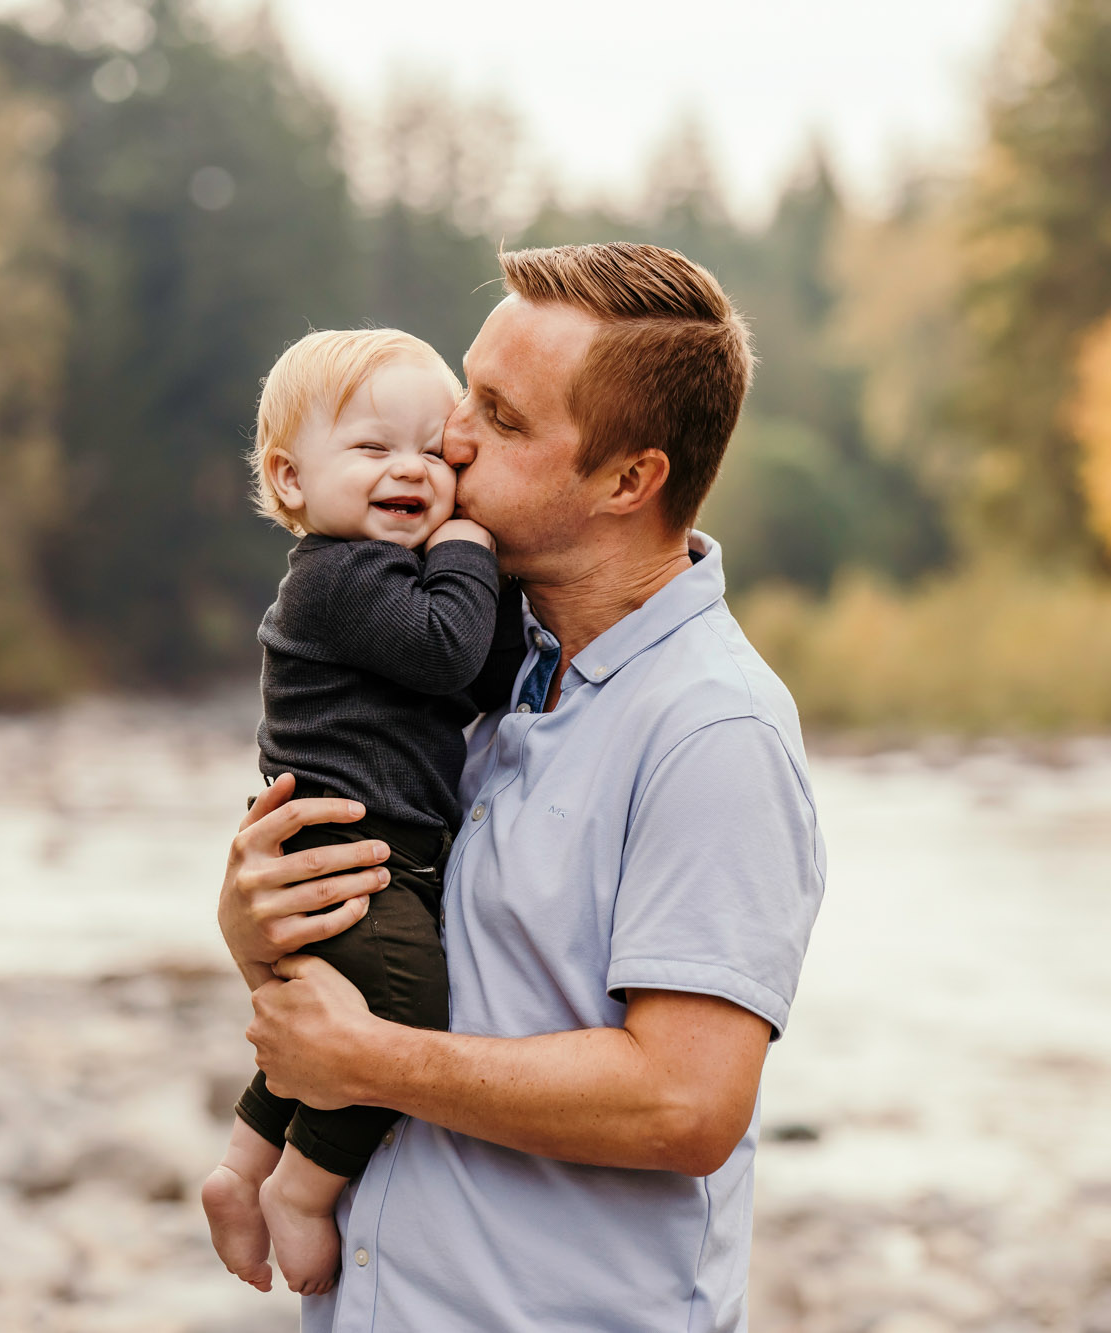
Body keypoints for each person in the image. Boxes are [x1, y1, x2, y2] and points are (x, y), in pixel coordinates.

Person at [218, 242, 827, 1331]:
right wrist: (258, 923)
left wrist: (374, 1060)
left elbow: (685, 1103)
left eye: (498, 419)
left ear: (627, 480)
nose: (446, 440)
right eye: (467, 393)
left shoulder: (709, 729)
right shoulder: (486, 664)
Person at [199, 328, 522, 1296]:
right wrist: (469, 541)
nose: (412, 471)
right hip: (353, 848)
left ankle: (239, 1167)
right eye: (374, 449)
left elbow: (485, 670)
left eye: (435, 452)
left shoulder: (381, 577)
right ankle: (301, 1188)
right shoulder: (335, 578)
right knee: (408, 1007)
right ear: (290, 481)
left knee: (332, 1019)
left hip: (376, 847)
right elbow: (444, 654)